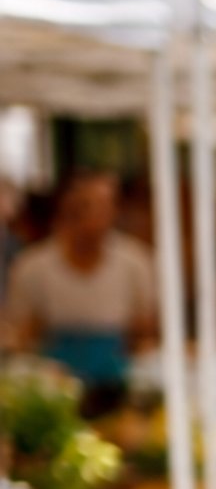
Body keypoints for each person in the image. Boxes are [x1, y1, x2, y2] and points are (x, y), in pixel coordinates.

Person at [4, 170, 156, 402]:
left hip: (119, 385)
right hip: (52, 388)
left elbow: (146, 332)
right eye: (85, 207)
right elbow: (20, 336)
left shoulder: (135, 263)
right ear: (65, 210)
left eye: (105, 207)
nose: (95, 217)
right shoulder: (32, 267)